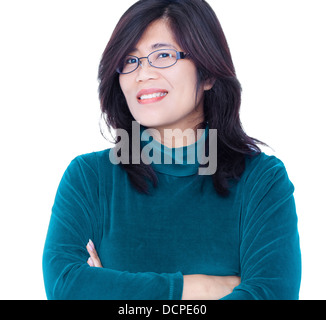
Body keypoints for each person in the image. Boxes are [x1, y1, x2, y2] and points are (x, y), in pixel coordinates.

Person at [42, 0, 301, 300]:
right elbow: (65, 287)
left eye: (163, 55)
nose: (142, 74)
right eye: (129, 60)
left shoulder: (262, 181)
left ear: (208, 73)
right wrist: (200, 289)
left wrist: (114, 289)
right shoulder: (88, 178)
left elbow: (271, 295)